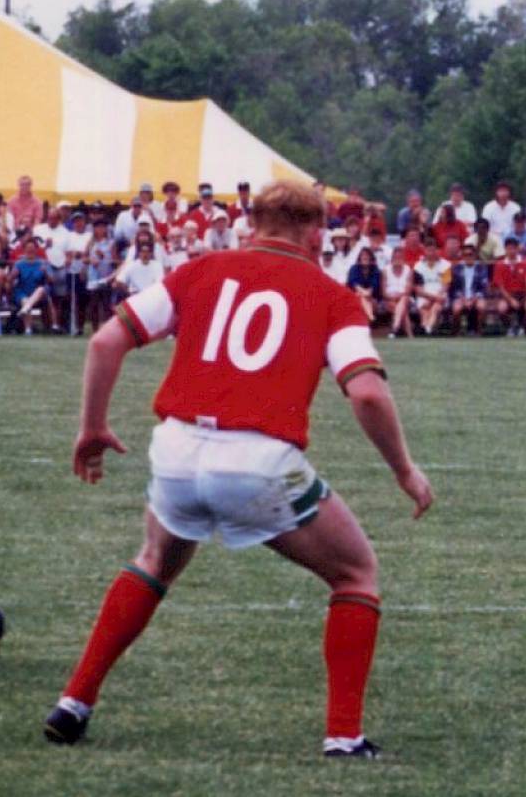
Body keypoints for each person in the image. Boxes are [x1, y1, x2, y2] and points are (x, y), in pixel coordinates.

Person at [42, 180, 433, 755]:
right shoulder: (332, 295)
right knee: (356, 574)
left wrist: (93, 427)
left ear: (253, 225)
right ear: (316, 234)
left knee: (154, 561)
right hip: (258, 461)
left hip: (177, 451)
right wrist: (403, 470)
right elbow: (368, 393)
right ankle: (344, 736)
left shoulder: (199, 270)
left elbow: (105, 341)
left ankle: (74, 701)